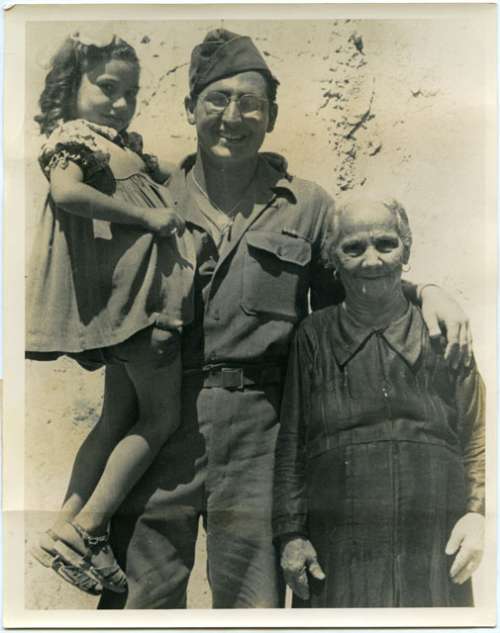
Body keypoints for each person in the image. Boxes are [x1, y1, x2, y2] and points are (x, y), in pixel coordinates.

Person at [97, 29, 473, 609]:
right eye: (217, 100)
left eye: (251, 103)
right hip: (160, 421)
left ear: (271, 116)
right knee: (142, 599)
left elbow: (358, 284)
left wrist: (427, 291)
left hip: (261, 431)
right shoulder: (150, 197)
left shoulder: (307, 205)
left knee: (254, 603)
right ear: (190, 107)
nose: (233, 117)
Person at [26, 32, 195, 595]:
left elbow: (176, 174)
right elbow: (66, 194)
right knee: (161, 418)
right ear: (69, 86)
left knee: (116, 418)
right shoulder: (74, 139)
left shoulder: (119, 144)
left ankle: (62, 526)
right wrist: (145, 218)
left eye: (132, 93)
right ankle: (92, 527)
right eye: (107, 87)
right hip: (139, 307)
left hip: (129, 310)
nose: (121, 102)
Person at [273, 195, 485, 607]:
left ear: (407, 249)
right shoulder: (313, 336)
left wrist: (477, 514)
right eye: (353, 248)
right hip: (338, 546)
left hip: (433, 540)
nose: (372, 261)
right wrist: (291, 534)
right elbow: (291, 444)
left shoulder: (444, 332)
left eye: (386, 244)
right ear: (333, 260)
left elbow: (478, 432)